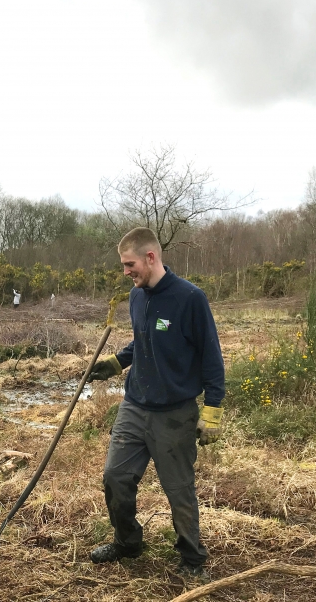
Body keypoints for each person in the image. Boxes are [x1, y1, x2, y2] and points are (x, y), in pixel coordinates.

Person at [87, 227, 225, 577]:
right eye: (123, 265)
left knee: (179, 490)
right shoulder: (136, 297)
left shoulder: (190, 298)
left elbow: (212, 357)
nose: (125, 272)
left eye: (129, 264)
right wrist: (117, 362)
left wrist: (212, 409)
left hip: (175, 413)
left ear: (151, 257)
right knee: (115, 477)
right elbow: (142, 342)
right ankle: (128, 543)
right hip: (134, 407)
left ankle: (192, 560)